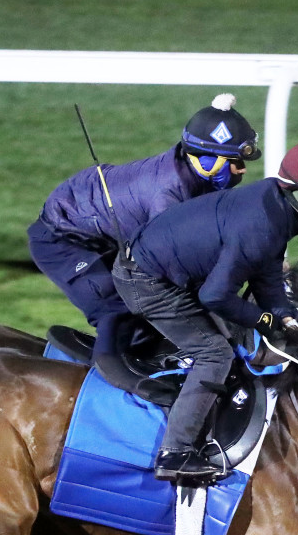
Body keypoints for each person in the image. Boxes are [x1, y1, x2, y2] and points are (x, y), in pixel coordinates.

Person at [111, 127, 298, 483]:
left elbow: (266, 268)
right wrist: (266, 318)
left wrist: (284, 314)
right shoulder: (262, 225)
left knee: (238, 334)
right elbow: (215, 296)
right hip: (146, 281)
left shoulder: (275, 205)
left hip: (169, 267)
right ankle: (175, 453)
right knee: (216, 353)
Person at [28, 94, 261, 375]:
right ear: (209, 160)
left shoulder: (195, 170)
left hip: (104, 229)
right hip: (63, 240)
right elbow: (172, 268)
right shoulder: (168, 194)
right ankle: (107, 372)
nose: (243, 169)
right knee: (119, 306)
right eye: (236, 161)